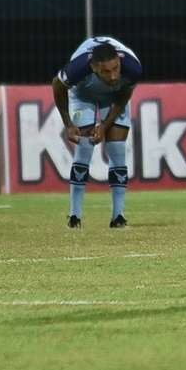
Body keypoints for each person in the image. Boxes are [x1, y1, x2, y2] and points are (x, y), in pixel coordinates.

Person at [51, 36, 142, 229]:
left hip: (115, 98)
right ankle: (75, 216)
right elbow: (57, 85)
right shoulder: (78, 68)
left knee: (117, 149)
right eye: (106, 71)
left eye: (116, 68)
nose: (113, 76)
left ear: (119, 61)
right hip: (82, 96)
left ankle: (118, 216)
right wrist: (68, 124)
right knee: (84, 148)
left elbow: (124, 94)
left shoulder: (132, 67)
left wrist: (105, 125)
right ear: (94, 67)